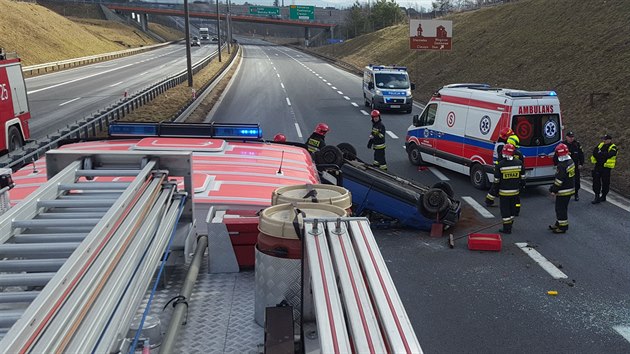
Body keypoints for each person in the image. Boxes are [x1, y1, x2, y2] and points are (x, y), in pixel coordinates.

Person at [486, 127, 525, 212]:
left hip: (500, 167)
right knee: (497, 184)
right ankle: (489, 200)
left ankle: (489, 199)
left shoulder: (501, 144)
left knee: (497, 184)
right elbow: (503, 158)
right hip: (499, 168)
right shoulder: (502, 146)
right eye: (510, 136)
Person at [492, 144, 524, 234]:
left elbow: (496, 181)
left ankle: (507, 228)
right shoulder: (519, 163)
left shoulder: (500, 165)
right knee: (512, 209)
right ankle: (510, 223)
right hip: (515, 192)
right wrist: (521, 187)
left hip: (504, 193)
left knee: (505, 211)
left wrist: (495, 191)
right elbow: (523, 178)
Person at [549, 143, 575, 234]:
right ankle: (558, 223)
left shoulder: (562, 165)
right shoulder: (570, 161)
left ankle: (563, 227)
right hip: (570, 188)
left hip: (563, 190)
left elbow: (559, 181)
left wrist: (553, 190)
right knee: (562, 208)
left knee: (560, 209)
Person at [553, 131, 584, 200]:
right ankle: (561, 194)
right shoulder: (562, 145)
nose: (571, 138)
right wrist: (555, 164)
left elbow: (581, 155)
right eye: (570, 137)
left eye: (572, 137)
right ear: (566, 137)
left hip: (574, 166)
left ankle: (576, 194)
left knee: (576, 181)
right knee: (563, 180)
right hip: (564, 166)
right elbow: (556, 155)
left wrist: (581, 163)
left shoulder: (577, 144)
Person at [590, 134, 618, 204]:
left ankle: (603, 196)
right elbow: (594, 153)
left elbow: (610, 155)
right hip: (598, 166)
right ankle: (596, 196)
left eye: (605, 139)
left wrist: (600, 154)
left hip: (606, 168)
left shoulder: (613, 147)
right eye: (603, 139)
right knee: (596, 181)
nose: (604, 141)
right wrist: (602, 154)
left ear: (609, 140)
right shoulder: (600, 145)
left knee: (605, 183)